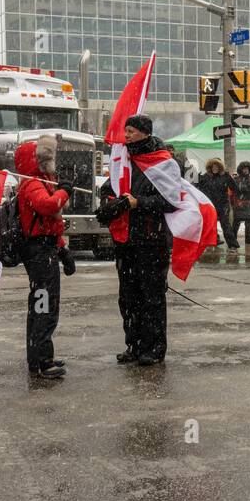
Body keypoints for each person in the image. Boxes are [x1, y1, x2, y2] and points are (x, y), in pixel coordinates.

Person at [96, 114, 177, 366]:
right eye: (126, 130)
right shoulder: (123, 160)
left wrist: (137, 202)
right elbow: (108, 189)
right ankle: (134, 344)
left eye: (131, 130)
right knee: (128, 297)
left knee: (151, 297)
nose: (127, 134)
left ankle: (153, 348)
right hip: (126, 241)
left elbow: (171, 201)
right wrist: (110, 203)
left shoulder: (163, 163)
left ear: (145, 132)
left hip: (152, 241)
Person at [16, 138, 71, 379]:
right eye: (44, 158)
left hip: (45, 251)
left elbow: (50, 224)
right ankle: (41, 360)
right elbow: (48, 207)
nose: (50, 162)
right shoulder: (32, 184)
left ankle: (40, 355)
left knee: (44, 305)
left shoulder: (41, 181)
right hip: (39, 255)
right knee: (44, 306)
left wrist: (61, 249)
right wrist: (64, 191)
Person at [198, 157, 239, 250]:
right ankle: (211, 241)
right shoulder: (205, 177)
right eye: (213, 167)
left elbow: (235, 188)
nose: (215, 168)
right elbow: (198, 189)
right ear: (210, 167)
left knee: (226, 225)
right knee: (209, 225)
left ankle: (233, 245)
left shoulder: (225, 176)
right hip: (210, 205)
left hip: (223, 205)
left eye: (217, 167)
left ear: (220, 167)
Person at [230, 160, 250, 246]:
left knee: (249, 223)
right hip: (239, 205)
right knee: (236, 223)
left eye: (247, 169)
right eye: (244, 169)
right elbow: (235, 190)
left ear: (249, 169)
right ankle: (233, 239)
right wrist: (245, 189)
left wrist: (249, 189)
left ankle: (249, 240)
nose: (245, 170)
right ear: (241, 170)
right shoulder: (236, 179)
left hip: (249, 205)